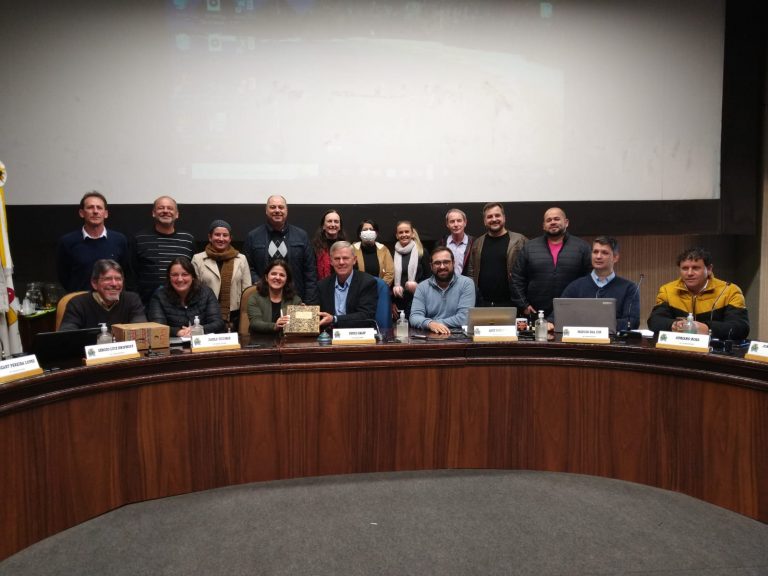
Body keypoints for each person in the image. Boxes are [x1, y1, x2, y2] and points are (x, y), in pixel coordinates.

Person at [647, 247, 749, 340]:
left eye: (695, 268)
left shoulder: (730, 291)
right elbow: (654, 321)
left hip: (715, 349)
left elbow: (741, 328)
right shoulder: (667, 290)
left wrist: (707, 328)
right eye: (685, 268)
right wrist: (673, 325)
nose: (689, 273)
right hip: (678, 348)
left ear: (709, 269)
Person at [511, 206, 591, 316]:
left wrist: (583, 304)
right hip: (536, 313)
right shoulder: (529, 247)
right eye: (549, 220)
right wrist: (523, 305)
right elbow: (516, 278)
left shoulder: (582, 247)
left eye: (557, 219)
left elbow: (590, 279)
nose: (553, 222)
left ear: (566, 222)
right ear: (544, 226)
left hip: (572, 312)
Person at [243, 195, 317, 302]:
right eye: (273, 207)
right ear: (266, 210)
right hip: (263, 299)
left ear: (286, 210)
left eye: (281, 207)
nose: (277, 210)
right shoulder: (253, 237)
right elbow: (248, 267)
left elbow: (310, 272)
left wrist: (309, 303)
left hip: (295, 298)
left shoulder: (302, 236)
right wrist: (261, 283)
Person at [558, 236, 640, 331]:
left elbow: (632, 322)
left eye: (604, 253)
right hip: (581, 339)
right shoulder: (575, 286)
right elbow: (559, 316)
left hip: (614, 339)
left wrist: (596, 324)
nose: (598, 256)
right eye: (595, 252)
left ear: (615, 257)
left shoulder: (629, 288)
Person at [56, 191, 130, 293]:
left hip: (111, 299)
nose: (95, 211)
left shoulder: (119, 240)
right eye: (90, 207)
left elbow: (126, 273)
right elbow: (63, 276)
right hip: (80, 300)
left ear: (106, 214)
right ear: (81, 213)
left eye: (99, 208)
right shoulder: (67, 241)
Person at [130, 196, 196, 306]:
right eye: (161, 208)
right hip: (146, 305)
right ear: (153, 213)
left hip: (182, 305)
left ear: (177, 214)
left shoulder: (188, 239)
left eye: (170, 208)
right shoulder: (139, 239)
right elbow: (131, 275)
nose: (165, 211)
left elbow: (193, 274)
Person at [192, 219, 252, 331]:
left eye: (225, 235)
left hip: (234, 317)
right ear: (210, 237)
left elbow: (246, 289)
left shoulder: (241, 259)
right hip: (207, 314)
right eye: (217, 235)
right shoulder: (198, 259)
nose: (221, 238)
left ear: (230, 238)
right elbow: (195, 290)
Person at [466, 203, 527, 307]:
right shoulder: (477, 243)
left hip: (511, 303)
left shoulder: (520, 241)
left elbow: (529, 271)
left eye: (497, 215)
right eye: (489, 216)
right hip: (482, 303)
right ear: (485, 221)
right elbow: (471, 273)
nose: (494, 219)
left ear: (504, 217)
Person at [59, 259, 146, 331]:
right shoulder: (77, 303)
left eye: (118, 279)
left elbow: (141, 330)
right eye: (107, 279)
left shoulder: (132, 300)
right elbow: (67, 336)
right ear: (94, 283)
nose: (114, 284)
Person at [148, 257, 226, 337]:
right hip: (173, 343)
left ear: (192, 276)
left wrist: (198, 329)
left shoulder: (206, 292)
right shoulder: (159, 296)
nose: (180, 279)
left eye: (185, 274)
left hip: (203, 342)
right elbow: (157, 327)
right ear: (169, 277)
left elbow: (218, 323)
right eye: (174, 275)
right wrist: (177, 332)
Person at [309, 241, 378, 329]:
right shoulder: (322, 285)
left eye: (345, 258)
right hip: (330, 334)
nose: (341, 262)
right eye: (337, 259)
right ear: (331, 261)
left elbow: (366, 316)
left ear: (354, 260)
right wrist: (305, 311)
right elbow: (317, 313)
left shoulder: (367, 282)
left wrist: (335, 319)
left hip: (356, 333)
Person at [409, 246, 476, 334]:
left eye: (446, 262)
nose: (442, 266)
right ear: (431, 266)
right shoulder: (422, 287)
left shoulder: (466, 283)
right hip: (431, 335)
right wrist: (430, 324)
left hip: (459, 335)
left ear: (453, 263)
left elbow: (464, 318)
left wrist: (433, 323)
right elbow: (414, 317)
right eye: (437, 263)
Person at [247, 259, 302, 334]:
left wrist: (303, 316)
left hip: (286, 340)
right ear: (266, 277)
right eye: (273, 274)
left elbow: (298, 327)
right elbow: (255, 323)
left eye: (282, 275)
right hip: (260, 339)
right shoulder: (255, 298)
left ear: (287, 280)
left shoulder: (295, 300)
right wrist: (275, 326)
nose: (277, 277)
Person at [391, 220, 430, 317]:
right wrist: (391, 302)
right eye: (401, 232)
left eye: (407, 231)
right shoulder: (392, 254)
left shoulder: (422, 252)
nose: (404, 234)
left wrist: (417, 287)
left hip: (419, 300)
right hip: (398, 301)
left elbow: (429, 278)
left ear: (412, 234)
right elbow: (390, 280)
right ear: (397, 235)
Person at [351, 219, 394, 286]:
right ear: (360, 234)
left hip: (379, 288)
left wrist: (380, 286)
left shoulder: (383, 249)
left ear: (376, 234)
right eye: (365, 229)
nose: (368, 231)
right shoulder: (352, 249)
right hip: (359, 289)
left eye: (371, 229)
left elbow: (390, 273)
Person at [311, 209, 347, 281]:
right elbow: (311, 272)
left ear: (340, 226)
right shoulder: (313, 247)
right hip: (321, 285)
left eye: (336, 222)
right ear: (323, 226)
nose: (333, 225)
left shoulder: (346, 246)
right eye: (329, 221)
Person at [442, 208, 473, 276]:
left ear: (465, 223)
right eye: (452, 221)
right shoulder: (441, 244)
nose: (456, 224)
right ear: (447, 224)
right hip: (446, 282)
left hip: (467, 282)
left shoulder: (474, 244)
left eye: (459, 221)